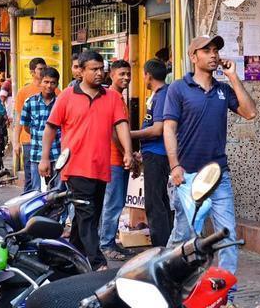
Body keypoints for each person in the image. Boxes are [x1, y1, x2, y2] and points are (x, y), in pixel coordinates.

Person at [163, 35, 257, 303]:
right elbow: (169, 128)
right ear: (194, 56)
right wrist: (175, 166)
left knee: (227, 234)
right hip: (188, 174)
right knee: (185, 234)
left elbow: (250, 113)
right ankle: (169, 279)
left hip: (219, 175)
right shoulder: (179, 88)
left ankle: (222, 291)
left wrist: (234, 78)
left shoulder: (223, 90)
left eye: (216, 50)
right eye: (207, 50)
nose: (214, 55)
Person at [39, 51, 132, 271]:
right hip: (75, 167)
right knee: (88, 214)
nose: (100, 73)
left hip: (101, 167)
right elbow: (50, 127)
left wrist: (128, 151)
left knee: (89, 215)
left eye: (102, 68)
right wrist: (44, 158)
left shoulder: (112, 97)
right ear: (81, 71)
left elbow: (121, 125)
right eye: (94, 69)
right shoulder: (67, 96)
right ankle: (97, 262)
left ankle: (68, 258)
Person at [130, 58, 172, 247]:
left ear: (148, 75)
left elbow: (157, 129)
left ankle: (160, 247)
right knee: (160, 200)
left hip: (158, 154)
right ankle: (166, 244)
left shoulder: (162, 95)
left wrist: (127, 134)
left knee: (155, 203)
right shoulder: (158, 95)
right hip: (152, 153)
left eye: (144, 74)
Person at [99, 59, 134, 261]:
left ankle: (108, 242)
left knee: (114, 203)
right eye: (121, 74)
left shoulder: (117, 96)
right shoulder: (112, 96)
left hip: (116, 158)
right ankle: (107, 244)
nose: (126, 78)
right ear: (111, 75)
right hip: (113, 158)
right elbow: (114, 132)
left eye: (128, 74)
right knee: (113, 204)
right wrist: (127, 153)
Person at [19, 67, 61, 192]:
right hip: (36, 153)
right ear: (40, 82)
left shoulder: (61, 102)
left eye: (52, 83)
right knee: (35, 191)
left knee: (57, 191)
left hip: (57, 154)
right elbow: (26, 127)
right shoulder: (30, 102)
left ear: (57, 84)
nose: (49, 86)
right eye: (46, 82)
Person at [14, 58, 52, 191]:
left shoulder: (55, 91)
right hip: (29, 141)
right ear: (32, 72)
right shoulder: (24, 92)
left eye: (44, 68)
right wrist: (16, 142)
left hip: (52, 144)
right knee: (30, 179)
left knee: (52, 179)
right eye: (40, 69)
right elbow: (19, 118)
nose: (43, 71)